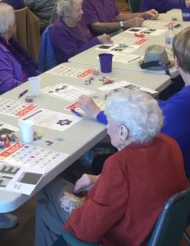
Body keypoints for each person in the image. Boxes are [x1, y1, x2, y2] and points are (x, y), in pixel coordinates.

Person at [35, 88, 189, 246]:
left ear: (123, 132)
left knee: (49, 189)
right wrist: (100, 179)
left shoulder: (120, 163)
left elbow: (85, 229)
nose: (107, 128)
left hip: (122, 238)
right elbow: (141, 180)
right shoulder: (169, 144)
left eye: (109, 121)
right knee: (47, 212)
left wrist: (77, 204)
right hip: (155, 230)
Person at [77, 27, 190, 177]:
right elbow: (171, 106)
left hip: (160, 171)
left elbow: (134, 129)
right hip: (177, 164)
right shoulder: (181, 100)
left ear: (176, 61)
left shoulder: (180, 106)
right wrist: (143, 98)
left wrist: (97, 113)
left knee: (98, 160)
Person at [0, 3, 39, 99]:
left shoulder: (9, 43)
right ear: (8, 26)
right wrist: (32, 87)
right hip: (12, 97)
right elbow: (6, 85)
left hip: (25, 90)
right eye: (14, 21)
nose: (16, 23)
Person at [50, 0, 112, 64]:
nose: (82, 12)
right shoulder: (59, 29)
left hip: (87, 57)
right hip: (73, 64)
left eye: (81, 8)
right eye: (78, 10)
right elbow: (72, 56)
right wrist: (97, 40)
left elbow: (88, 41)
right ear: (67, 13)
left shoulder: (78, 20)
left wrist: (101, 40)